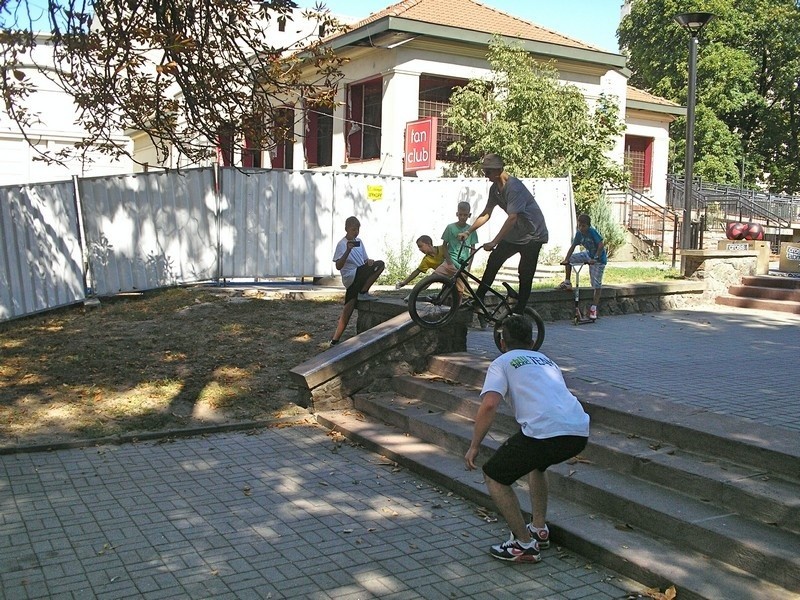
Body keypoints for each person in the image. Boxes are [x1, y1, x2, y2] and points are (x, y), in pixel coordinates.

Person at [464, 314, 589, 563]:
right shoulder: (548, 361)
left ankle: (524, 545)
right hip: (578, 430)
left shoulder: (502, 362)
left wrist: (474, 446)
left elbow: (489, 405)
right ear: (532, 342)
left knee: (494, 475)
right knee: (537, 464)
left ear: (502, 343)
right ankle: (539, 529)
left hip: (544, 433)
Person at [457, 153, 548, 315]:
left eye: (488, 172)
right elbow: (486, 213)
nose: (486, 175)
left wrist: (494, 242)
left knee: (525, 273)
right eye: (484, 171)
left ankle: (520, 312)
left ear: (498, 170)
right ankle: (478, 300)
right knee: (494, 261)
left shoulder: (514, 188)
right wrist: (468, 231)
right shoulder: (495, 189)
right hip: (517, 233)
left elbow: (512, 217)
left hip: (534, 235)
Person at [329, 216, 384, 347]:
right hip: (351, 276)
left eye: (357, 229)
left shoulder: (359, 242)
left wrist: (369, 261)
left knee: (348, 307)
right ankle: (363, 291)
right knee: (380, 264)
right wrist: (348, 250)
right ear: (347, 229)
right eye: (353, 229)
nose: (356, 232)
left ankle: (335, 340)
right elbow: (338, 266)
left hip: (359, 275)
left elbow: (365, 260)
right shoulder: (342, 244)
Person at [557, 213, 606, 321]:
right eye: (579, 226)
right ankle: (567, 282)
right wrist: (566, 259)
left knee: (596, 284)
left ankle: (594, 308)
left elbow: (601, 245)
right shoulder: (579, 234)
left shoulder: (592, 232)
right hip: (588, 255)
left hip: (598, 260)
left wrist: (596, 258)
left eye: (583, 226)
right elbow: (573, 246)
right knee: (570, 260)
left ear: (588, 226)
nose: (581, 228)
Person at [434, 201, 478, 296]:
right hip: (450, 261)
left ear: (469, 215)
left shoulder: (471, 230)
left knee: (459, 291)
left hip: (462, 265)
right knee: (433, 277)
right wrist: (449, 261)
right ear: (457, 214)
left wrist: (469, 266)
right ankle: (413, 296)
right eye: (460, 214)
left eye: (465, 215)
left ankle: (456, 309)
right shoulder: (450, 228)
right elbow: (444, 245)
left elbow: (473, 249)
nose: (462, 217)